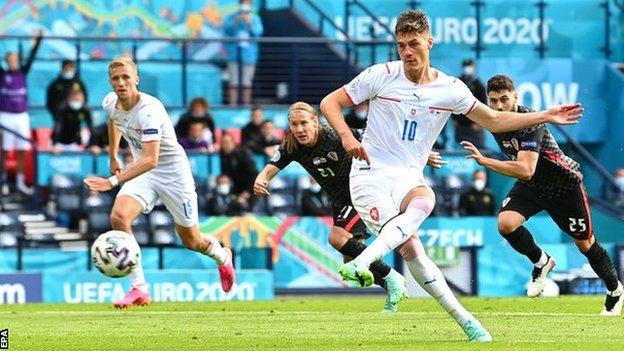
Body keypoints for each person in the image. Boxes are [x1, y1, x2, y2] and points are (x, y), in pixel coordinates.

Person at [320, 10, 581, 341]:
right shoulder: (380, 75)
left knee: (426, 198)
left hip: (406, 174)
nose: (407, 52)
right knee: (411, 248)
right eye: (401, 45)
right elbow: (330, 102)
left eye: (414, 43)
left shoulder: (450, 88)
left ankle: (366, 260)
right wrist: (346, 136)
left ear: (430, 42)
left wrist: (545, 114)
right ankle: (466, 320)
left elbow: (495, 120)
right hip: (369, 174)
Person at [461, 74, 622, 316]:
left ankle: (615, 291)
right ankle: (541, 262)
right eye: (493, 101)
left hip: (563, 186)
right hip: (534, 186)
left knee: (585, 244)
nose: (498, 106)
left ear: (516, 97)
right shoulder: (493, 118)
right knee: (506, 224)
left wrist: (485, 161)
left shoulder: (529, 122)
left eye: (504, 99)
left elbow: (526, 170)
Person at [83, 57, 235, 309]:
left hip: (172, 174)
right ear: (110, 81)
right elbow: (114, 120)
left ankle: (222, 256)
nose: (121, 83)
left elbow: (151, 160)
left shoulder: (149, 110)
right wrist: (112, 154)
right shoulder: (110, 102)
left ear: (136, 79)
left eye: (126, 77)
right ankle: (139, 288)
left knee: (192, 241)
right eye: (115, 79)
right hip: (142, 173)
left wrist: (112, 181)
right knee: (119, 217)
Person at [254, 102, 422, 312]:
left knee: (336, 237)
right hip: (340, 199)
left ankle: (392, 277)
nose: (299, 129)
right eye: (294, 124)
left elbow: (377, 138)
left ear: (315, 122)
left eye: (304, 123)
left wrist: (415, 154)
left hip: (361, 192)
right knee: (352, 264)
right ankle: (391, 285)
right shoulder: (292, 145)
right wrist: (261, 178)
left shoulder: (334, 136)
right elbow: (273, 164)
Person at [0, 29, 43, 195]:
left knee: (22, 150)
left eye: (15, 59)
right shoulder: (2, 74)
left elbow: (32, 56)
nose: (13, 62)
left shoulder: (22, 72)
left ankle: (19, 182)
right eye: (10, 60)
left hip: (21, 116)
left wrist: (38, 40)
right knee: (3, 150)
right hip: (5, 116)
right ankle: (3, 182)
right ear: (6, 61)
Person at [223, 0, 264, 106]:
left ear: (250, 6)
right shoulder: (231, 17)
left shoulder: (255, 18)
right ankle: (232, 107)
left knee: (246, 83)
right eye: (243, 3)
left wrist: (249, 23)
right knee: (233, 83)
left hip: (249, 56)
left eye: (248, 4)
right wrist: (234, 22)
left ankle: (246, 107)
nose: (245, 6)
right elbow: (226, 30)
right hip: (233, 55)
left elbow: (258, 33)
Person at [450, 59, 488, 149]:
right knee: (459, 151)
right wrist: (454, 119)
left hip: (475, 126)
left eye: (469, 66)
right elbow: (452, 101)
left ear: (474, 68)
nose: (467, 69)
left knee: (479, 150)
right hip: (460, 125)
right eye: (465, 67)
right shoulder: (458, 83)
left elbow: (484, 104)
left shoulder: (479, 85)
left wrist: (479, 123)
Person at [51, 88, 93, 153]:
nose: (76, 101)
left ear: (83, 99)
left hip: (75, 144)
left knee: (85, 134)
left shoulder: (85, 110)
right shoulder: (63, 109)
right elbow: (58, 126)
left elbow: (91, 127)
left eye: (78, 99)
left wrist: (93, 145)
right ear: (69, 99)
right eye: (74, 99)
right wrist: (54, 144)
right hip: (60, 143)